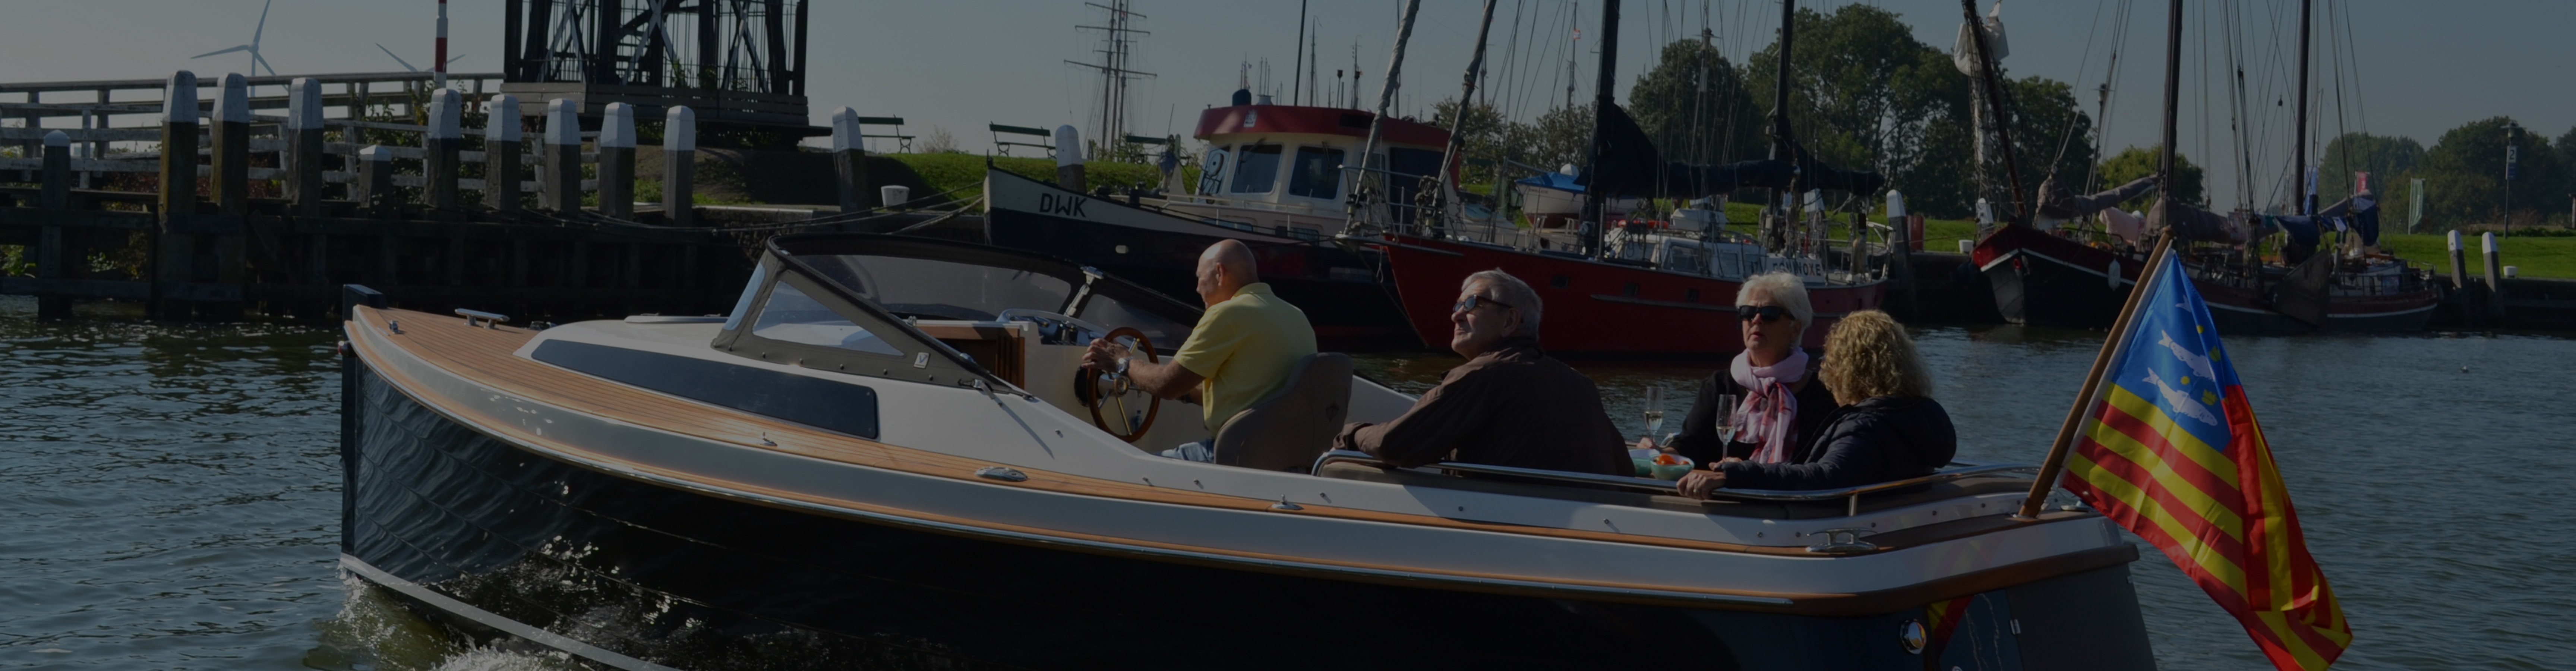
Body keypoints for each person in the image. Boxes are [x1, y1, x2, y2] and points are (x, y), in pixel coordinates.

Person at [1333, 270, 1630, 476]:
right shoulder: (1580, 383)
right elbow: (1624, 470)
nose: (1456, 314)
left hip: (1511, 526)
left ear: (1510, 321)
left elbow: (1395, 445)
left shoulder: (1486, 372)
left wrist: (1351, 433)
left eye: (1472, 304)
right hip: (1585, 526)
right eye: (1458, 304)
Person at [1674, 310, 1956, 497]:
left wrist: (1738, 474)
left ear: (1848, 368)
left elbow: (1825, 478)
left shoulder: (1866, 427)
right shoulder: (1918, 415)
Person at [1084, 239, 1317, 461]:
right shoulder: (1297, 316)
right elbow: (1253, 392)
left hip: (1235, 454)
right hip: (1286, 455)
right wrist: (1181, 390)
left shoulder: (1228, 314)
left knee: (1129, 474)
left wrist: (1122, 361)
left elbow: (1166, 385)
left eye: (1199, 278)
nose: (1197, 289)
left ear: (1220, 273)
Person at [1640, 272, 1841, 467]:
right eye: (1748, 313)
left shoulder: (1824, 394)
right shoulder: (1719, 385)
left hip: (1787, 490)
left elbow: (1826, 465)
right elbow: (1690, 444)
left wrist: (1746, 473)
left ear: (1795, 329)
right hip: (1719, 489)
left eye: (1770, 314)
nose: (1756, 320)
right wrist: (1662, 453)